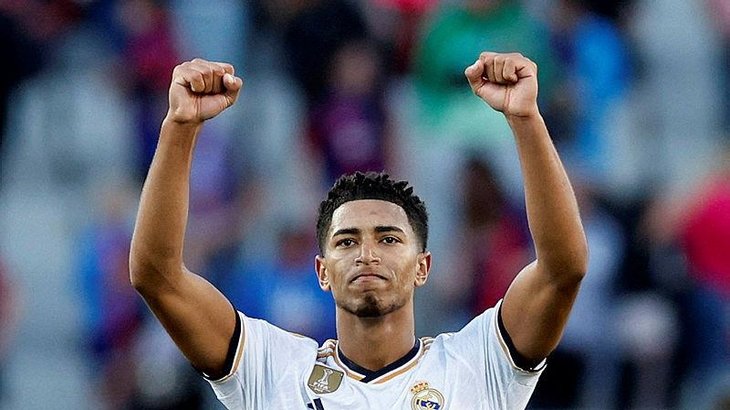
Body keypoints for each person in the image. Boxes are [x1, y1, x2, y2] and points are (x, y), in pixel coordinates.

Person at [130, 52, 588, 409]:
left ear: (423, 266)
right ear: (322, 270)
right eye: (347, 241)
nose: (367, 254)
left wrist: (526, 119)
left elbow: (562, 269)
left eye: (388, 238)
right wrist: (179, 127)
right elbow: (157, 277)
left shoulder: (478, 363)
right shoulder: (271, 369)